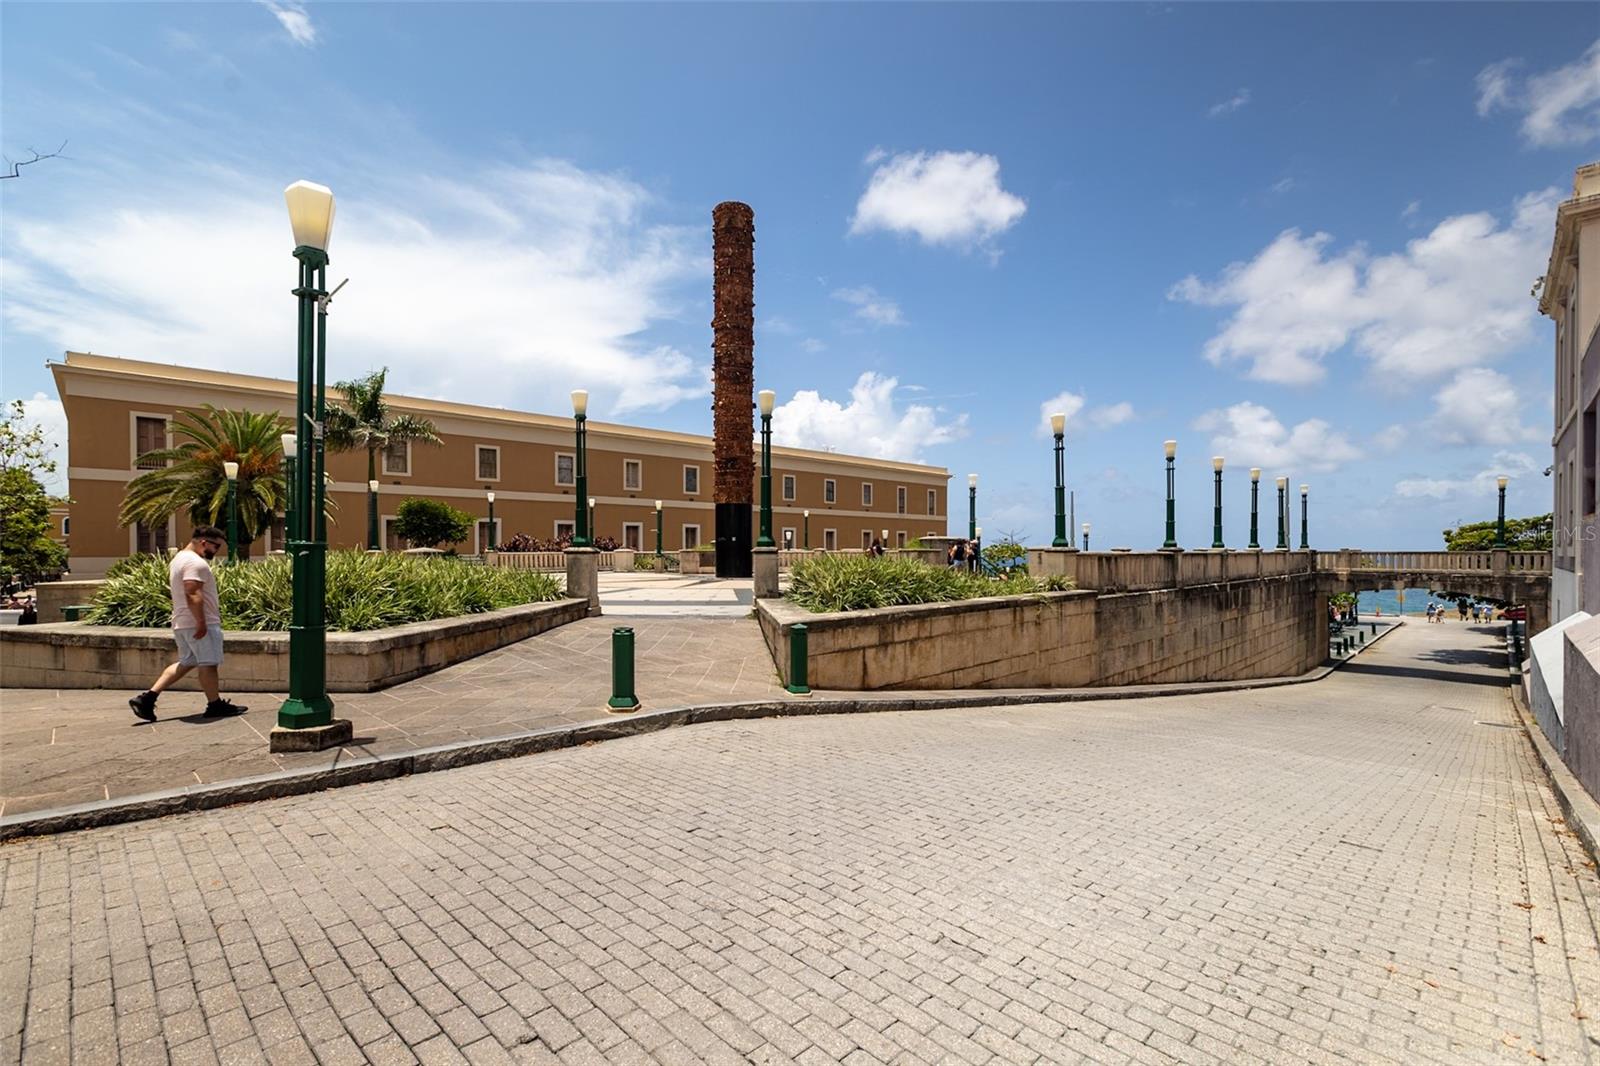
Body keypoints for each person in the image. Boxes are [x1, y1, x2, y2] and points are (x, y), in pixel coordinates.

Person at [128, 526, 247, 722]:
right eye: (215, 546)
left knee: (188, 661)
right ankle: (214, 704)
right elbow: (192, 593)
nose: (216, 551)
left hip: (182, 622)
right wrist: (201, 622)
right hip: (197, 622)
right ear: (203, 542)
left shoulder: (179, 559)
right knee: (208, 663)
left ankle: (147, 698)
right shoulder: (195, 563)